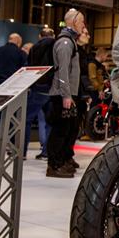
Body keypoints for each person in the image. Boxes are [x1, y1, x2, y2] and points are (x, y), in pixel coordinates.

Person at [46, 9, 84, 178]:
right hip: (62, 95)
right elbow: (62, 71)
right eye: (81, 22)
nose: (83, 26)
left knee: (68, 129)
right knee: (60, 130)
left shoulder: (71, 42)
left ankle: (62, 160)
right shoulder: (65, 43)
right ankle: (54, 165)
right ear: (73, 22)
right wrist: (66, 95)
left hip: (68, 93)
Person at [0, 33, 27, 150]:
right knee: (13, 116)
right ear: (18, 42)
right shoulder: (21, 54)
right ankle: (9, 143)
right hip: (13, 87)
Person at [25, 27, 55, 159]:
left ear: (39, 36)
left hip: (37, 88)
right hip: (52, 89)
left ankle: (21, 152)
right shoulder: (56, 46)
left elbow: (30, 67)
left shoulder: (34, 48)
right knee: (50, 122)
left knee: (27, 120)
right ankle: (46, 152)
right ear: (53, 35)